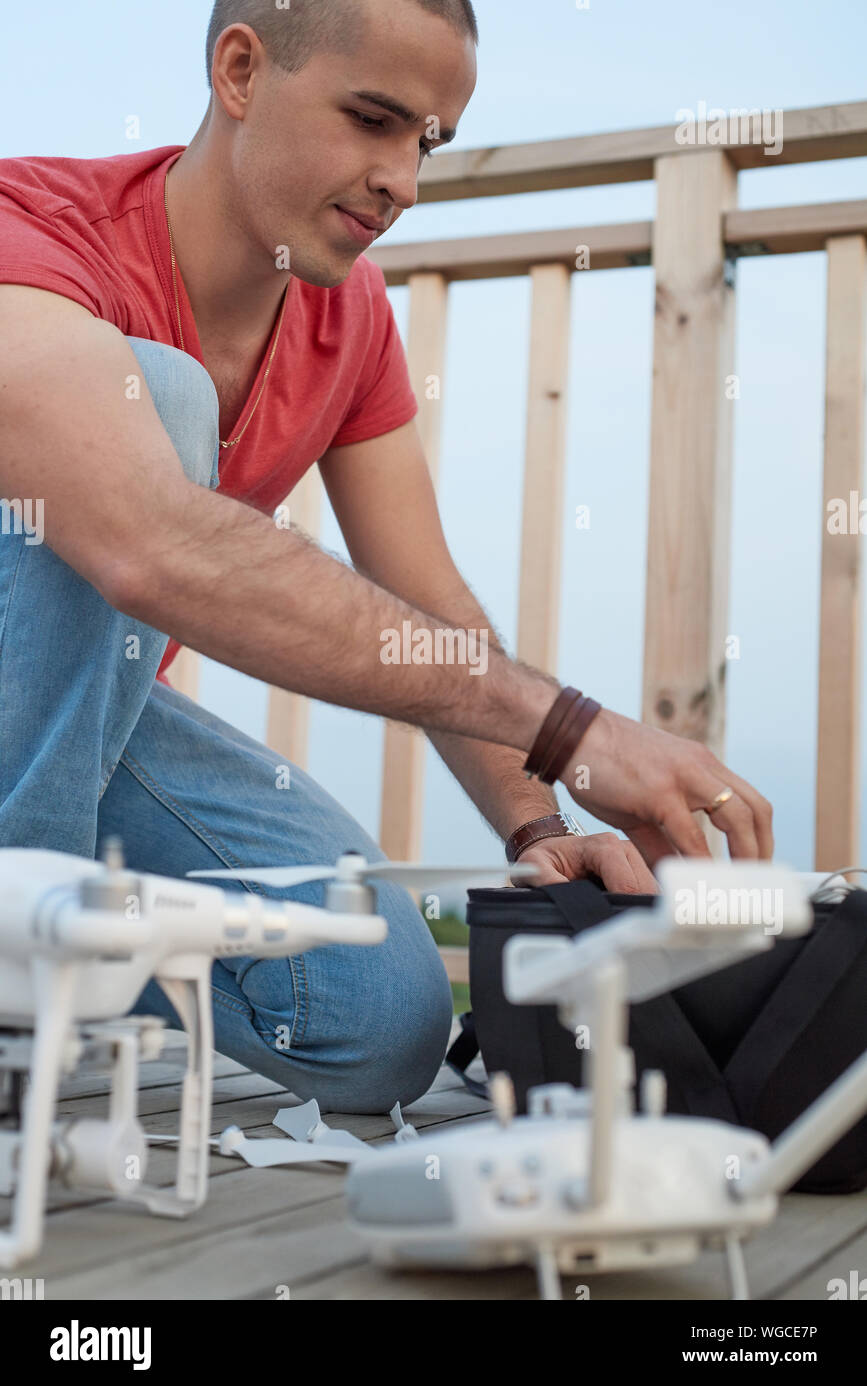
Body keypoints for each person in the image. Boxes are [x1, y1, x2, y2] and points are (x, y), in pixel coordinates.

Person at [0, 0, 772, 1111]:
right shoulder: (36, 234)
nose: (403, 180)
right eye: (373, 119)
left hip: (71, 745)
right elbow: (149, 543)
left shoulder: (349, 317)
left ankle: (62, 973)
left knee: (376, 1015)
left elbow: (428, 603)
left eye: (429, 142)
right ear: (239, 69)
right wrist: (573, 725)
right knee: (157, 396)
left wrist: (540, 822)